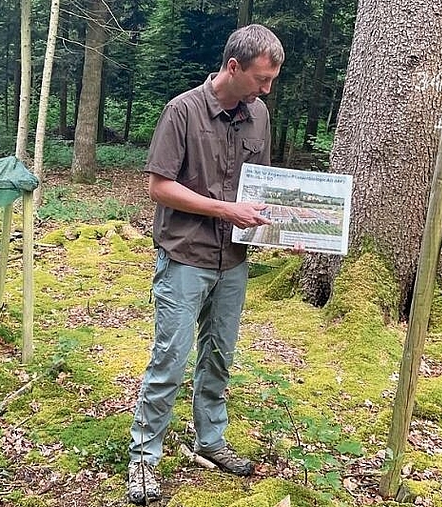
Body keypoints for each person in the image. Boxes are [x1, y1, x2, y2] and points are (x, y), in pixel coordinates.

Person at [127, 24, 286, 505]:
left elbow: (262, 188)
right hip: (185, 256)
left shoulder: (258, 114)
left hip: (233, 259)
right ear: (232, 67)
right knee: (170, 359)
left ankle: (210, 442)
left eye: (272, 80)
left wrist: (283, 230)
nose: (267, 89)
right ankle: (144, 458)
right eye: (261, 79)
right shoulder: (182, 111)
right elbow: (159, 186)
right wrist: (224, 210)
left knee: (219, 355)